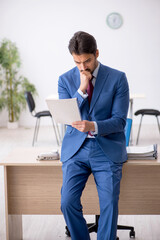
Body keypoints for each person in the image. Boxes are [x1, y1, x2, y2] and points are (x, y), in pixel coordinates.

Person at [58, 31, 129, 240]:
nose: (82, 67)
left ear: (96, 53)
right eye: (77, 62)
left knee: (109, 202)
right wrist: (81, 89)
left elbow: (120, 121)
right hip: (76, 151)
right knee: (67, 202)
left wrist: (93, 125)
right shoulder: (65, 80)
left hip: (106, 148)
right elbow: (67, 116)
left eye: (87, 61)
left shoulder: (117, 78)